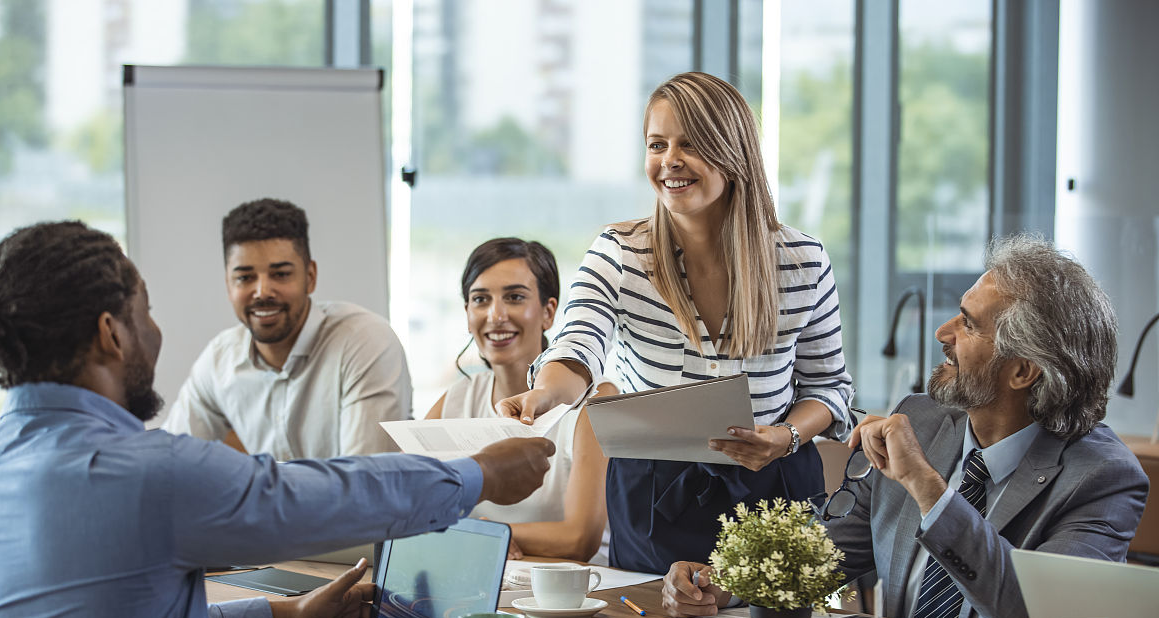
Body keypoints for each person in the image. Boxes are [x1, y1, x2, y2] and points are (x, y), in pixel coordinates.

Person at [0, 221, 554, 618]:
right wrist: (482, 473)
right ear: (111, 333)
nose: (157, 333)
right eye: (147, 312)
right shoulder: (144, 475)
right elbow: (324, 494)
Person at [662, 234, 1148, 618]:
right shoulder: (924, 419)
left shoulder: (1102, 479)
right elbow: (824, 551)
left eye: (969, 325)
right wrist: (720, 579)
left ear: (1023, 371)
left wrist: (928, 489)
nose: (943, 332)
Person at [498, 72, 854, 575]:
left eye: (690, 144)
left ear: (732, 152)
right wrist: (545, 395)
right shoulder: (621, 252)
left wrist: (786, 437)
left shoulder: (801, 261)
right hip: (655, 493)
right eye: (657, 144)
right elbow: (579, 341)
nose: (670, 161)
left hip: (773, 486)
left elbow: (828, 387)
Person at [163, 197, 411, 458]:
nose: (262, 292)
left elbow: (365, 481)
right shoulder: (219, 360)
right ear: (228, 285)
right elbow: (171, 461)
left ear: (310, 277)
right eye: (244, 278)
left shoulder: (364, 342)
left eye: (280, 274)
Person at [425, 237, 617, 562]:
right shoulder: (457, 399)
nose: (496, 315)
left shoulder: (595, 400)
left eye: (514, 297)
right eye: (480, 299)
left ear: (548, 312)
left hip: (580, 595)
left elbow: (579, 537)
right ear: (467, 313)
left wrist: (487, 533)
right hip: (485, 582)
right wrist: (495, 537)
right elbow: (406, 501)